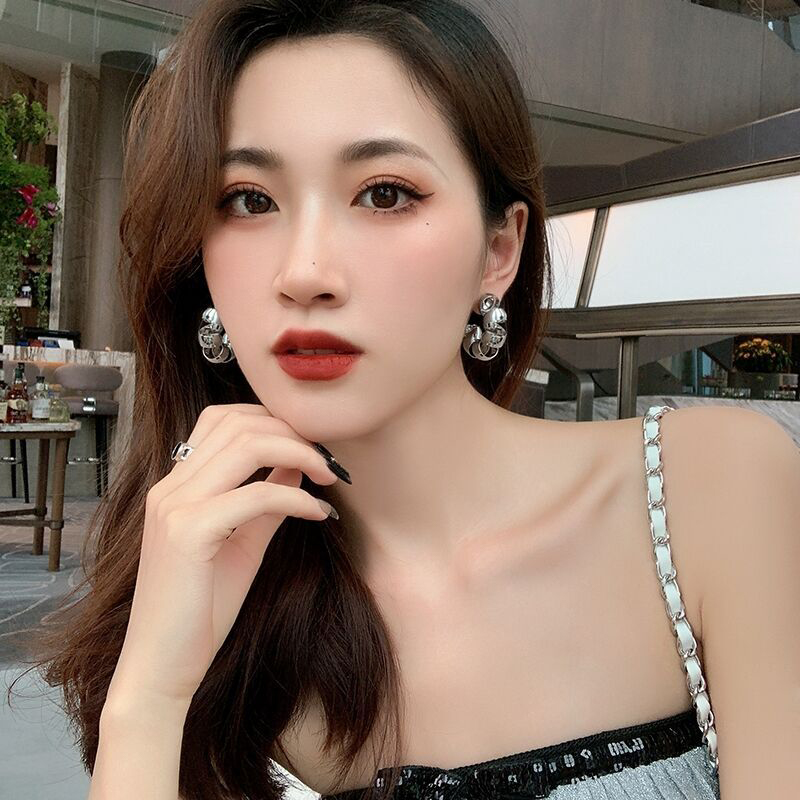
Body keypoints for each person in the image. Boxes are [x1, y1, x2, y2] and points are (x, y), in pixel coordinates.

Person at [9, 1, 798, 799]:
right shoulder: (215, 595)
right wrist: (149, 696)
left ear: (499, 250)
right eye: (249, 200)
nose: (305, 273)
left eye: (384, 194)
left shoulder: (710, 488)